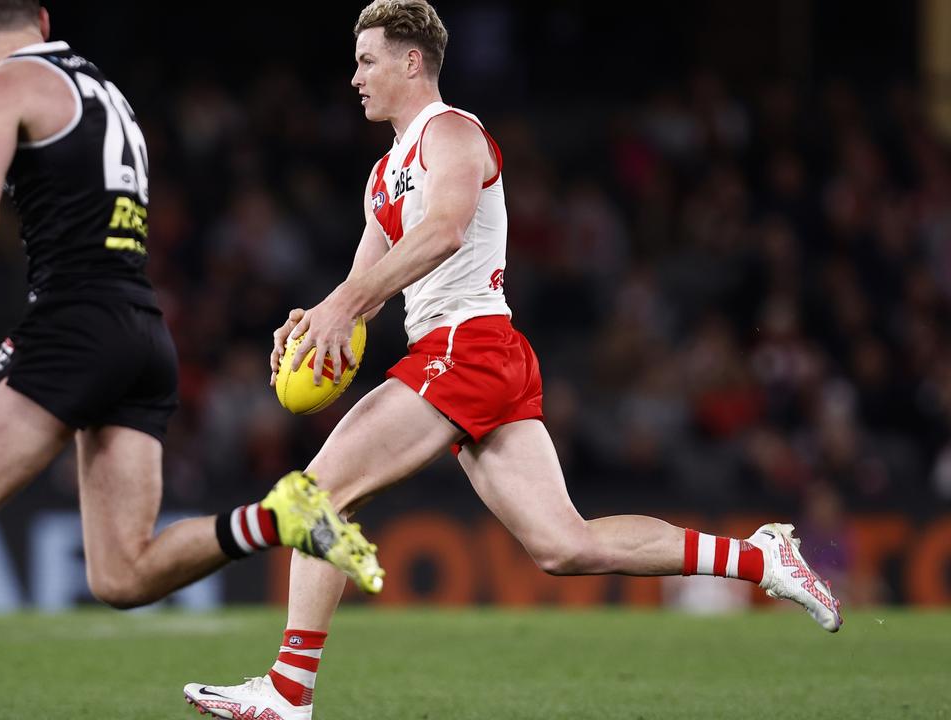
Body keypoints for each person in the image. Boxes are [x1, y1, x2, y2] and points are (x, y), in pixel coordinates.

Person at [182, 2, 842, 718]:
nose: (354, 78)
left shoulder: (453, 133)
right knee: (565, 545)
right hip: (472, 356)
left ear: (411, 62)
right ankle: (761, 558)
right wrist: (317, 319)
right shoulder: (383, 175)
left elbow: (444, 231)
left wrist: (345, 306)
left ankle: (287, 693)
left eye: (367, 60)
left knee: (317, 495)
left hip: (467, 346)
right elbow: (364, 290)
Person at [0, 2, 383, 719]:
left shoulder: (1, 85)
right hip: (144, 331)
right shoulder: (104, 92)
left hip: (71, 320)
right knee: (122, 574)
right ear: (43, 16)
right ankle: (279, 518)